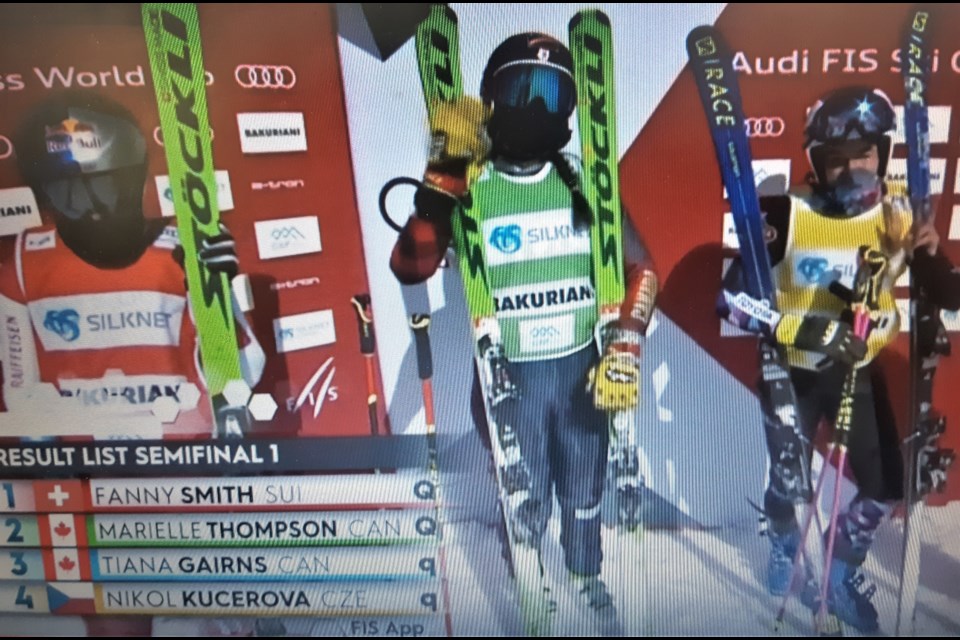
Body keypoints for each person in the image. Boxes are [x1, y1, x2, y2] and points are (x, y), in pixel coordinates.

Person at [390, 33, 658, 617]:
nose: (534, 109)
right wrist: (441, 176)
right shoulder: (470, 184)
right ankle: (529, 577)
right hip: (507, 377)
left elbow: (642, 270)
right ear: (490, 98)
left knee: (585, 490)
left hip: (580, 370)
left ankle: (586, 572)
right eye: (519, 89)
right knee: (523, 491)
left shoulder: (589, 183)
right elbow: (410, 265)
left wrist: (626, 344)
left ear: (569, 109)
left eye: (552, 93)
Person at [717, 86, 960, 632]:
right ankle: (784, 545)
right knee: (790, 482)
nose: (853, 169)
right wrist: (795, 325)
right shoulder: (786, 212)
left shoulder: (897, 218)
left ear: (884, 153)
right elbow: (729, 299)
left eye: (865, 155)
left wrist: (926, 254)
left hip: (857, 371)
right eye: (836, 159)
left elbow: (949, 296)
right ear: (816, 164)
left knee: (885, 486)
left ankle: (840, 567)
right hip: (792, 372)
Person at [0, 90, 261, 439]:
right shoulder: (24, 260)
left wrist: (216, 295)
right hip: (84, 475)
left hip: (179, 463)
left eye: (105, 186)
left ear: (133, 181)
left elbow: (242, 377)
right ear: (44, 193)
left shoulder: (184, 250)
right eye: (68, 192)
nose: (92, 208)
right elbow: (22, 398)